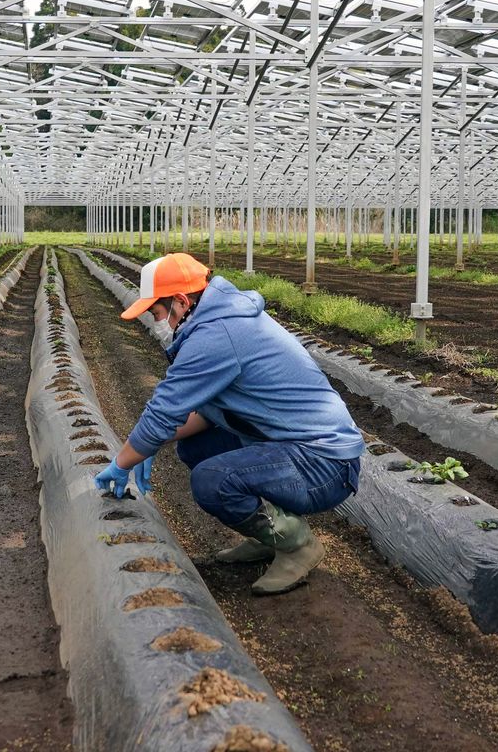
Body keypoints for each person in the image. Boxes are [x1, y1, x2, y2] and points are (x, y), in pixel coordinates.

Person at [96, 253, 365, 595]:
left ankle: (297, 545)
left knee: (213, 480)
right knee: (196, 448)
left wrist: (122, 462)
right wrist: (150, 444)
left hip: (324, 463)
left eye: (158, 313)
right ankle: (268, 536)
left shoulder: (216, 334)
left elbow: (164, 410)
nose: (159, 321)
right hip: (293, 444)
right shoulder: (221, 318)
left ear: (181, 301)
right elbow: (206, 412)